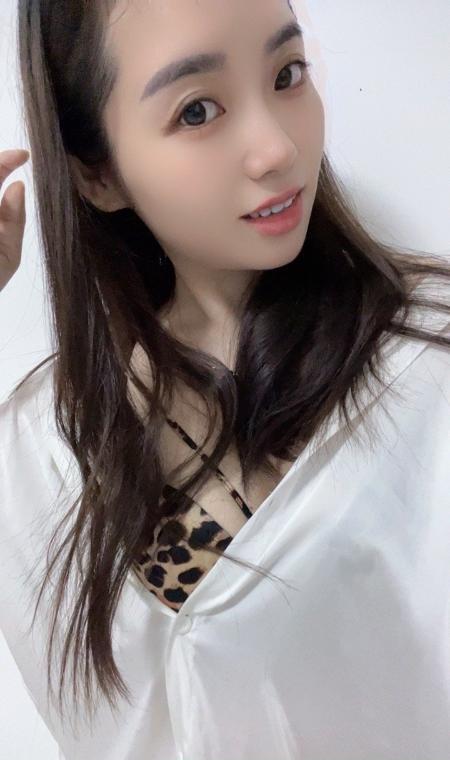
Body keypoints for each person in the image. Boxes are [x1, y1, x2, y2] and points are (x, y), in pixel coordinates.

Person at [0, 1, 449, 758]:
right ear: (96, 174)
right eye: (198, 111)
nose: (277, 148)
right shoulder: (42, 444)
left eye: (288, 74)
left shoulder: (423, 359)